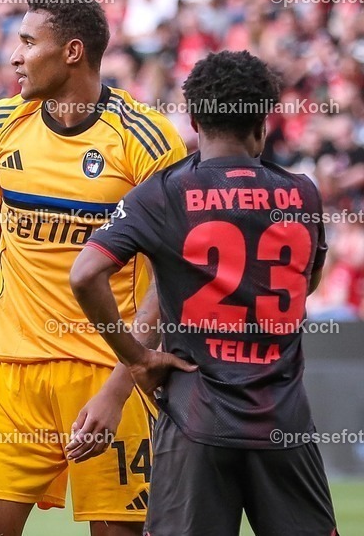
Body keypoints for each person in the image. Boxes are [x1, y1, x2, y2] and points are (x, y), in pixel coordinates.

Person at [71, 50, 339, 536]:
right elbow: (309, 280)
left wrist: (136, 357)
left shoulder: (163, 193)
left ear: (193, 119)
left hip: (196, 422)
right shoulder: (304, 193)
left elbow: (84, 275)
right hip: (284, 424)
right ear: (262, 123)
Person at [0, 0, 186, 536]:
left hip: (106, 371)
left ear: (72, 52)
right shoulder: (0, 125)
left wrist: (122, 384)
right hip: (12, 374)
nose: (14, 56)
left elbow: (169, 277)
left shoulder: (146, 138)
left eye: (27, 43)